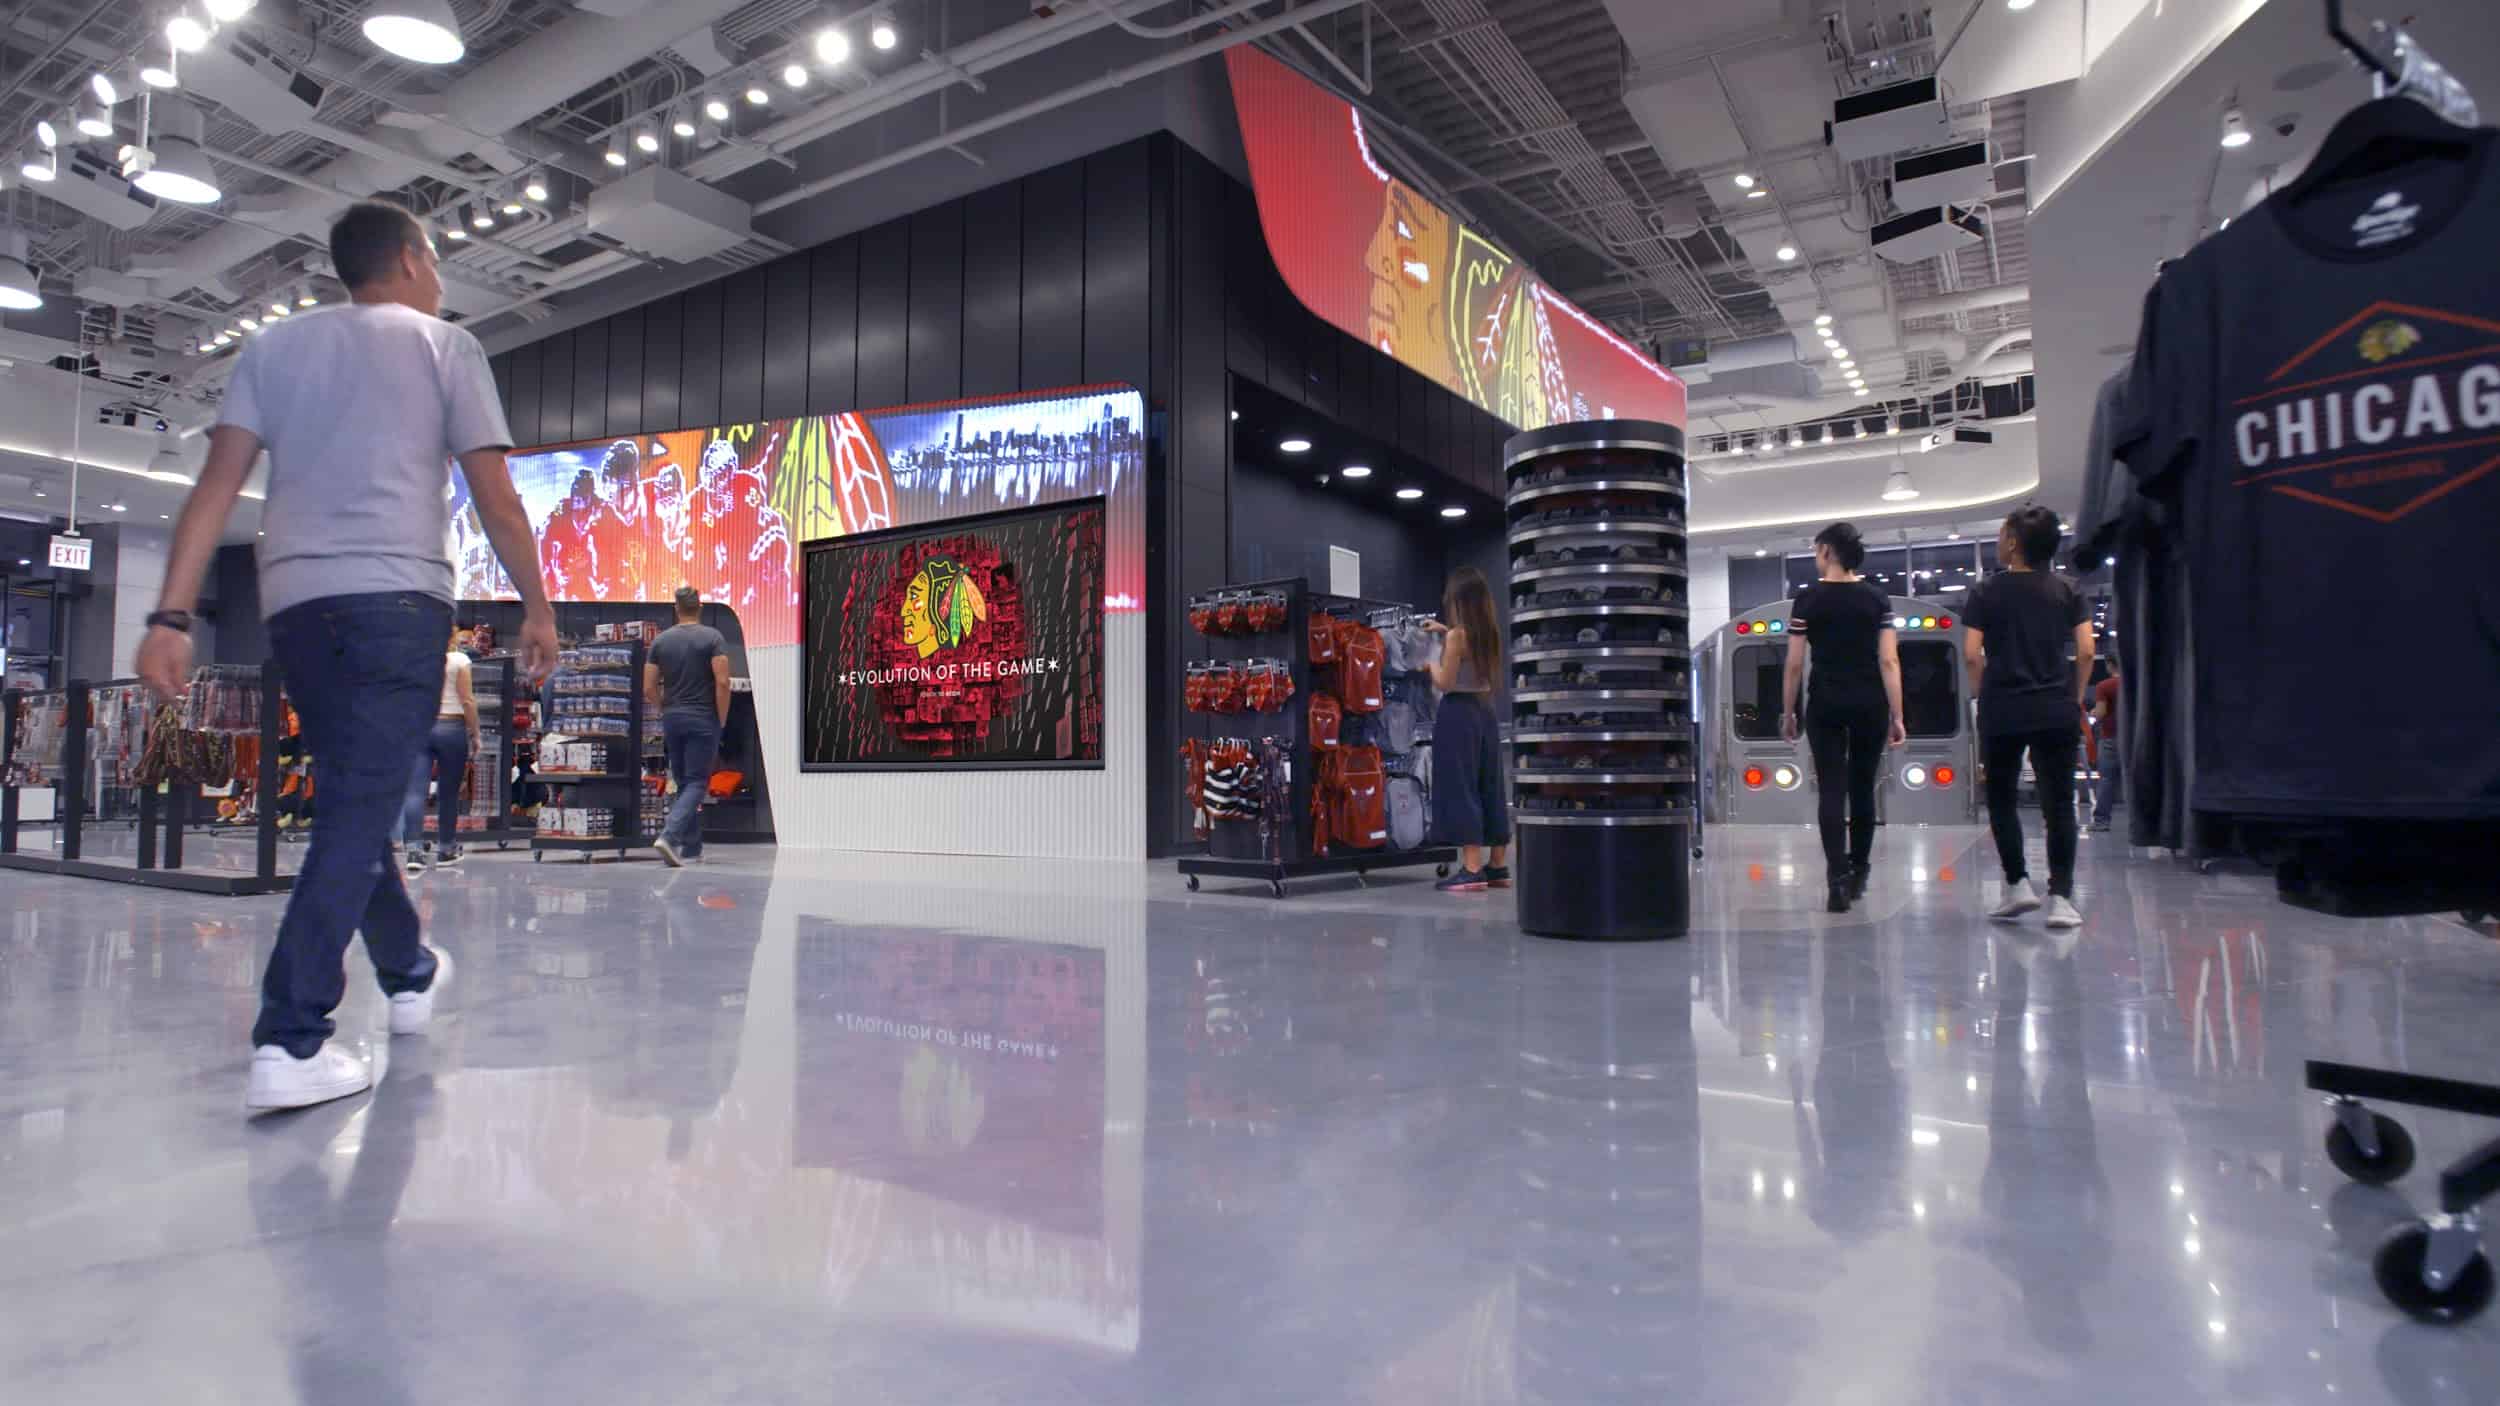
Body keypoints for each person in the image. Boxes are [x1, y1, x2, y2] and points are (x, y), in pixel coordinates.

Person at [136, 199, 557, 1112]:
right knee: (357, 811)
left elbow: (216, 487)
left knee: (353, 801)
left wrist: (171, 615)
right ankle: (290, 1037)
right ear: (409, 259)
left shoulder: (273, 349)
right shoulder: (447, 346)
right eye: (434, 263)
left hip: (295, 605)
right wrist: (537, 605)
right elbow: (496, 496)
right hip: (399, 601)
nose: (438, 281)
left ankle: (408, 971)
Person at [1963, 506, 2094, 929]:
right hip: (2056, 705)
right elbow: (2086, 651)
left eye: (2002, 533)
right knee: (2059, 804)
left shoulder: (1986, 592)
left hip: (2003, 706)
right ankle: (2061, 899)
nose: (1999, 540)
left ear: (2015, 542)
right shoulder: (2068, 589)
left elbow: (1971, 654)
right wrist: (2074, 696)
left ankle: (2018, 884)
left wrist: (1982, 694)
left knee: (2001, 797)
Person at [1781, 522, 1906, 914]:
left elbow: (1794, 664)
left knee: (1831, 790)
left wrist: (1788, 711)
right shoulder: (1877, 599)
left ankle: (1836, 879)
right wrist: (1898, 714)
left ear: (1827, 552)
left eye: (1816, 551)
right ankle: (1859, 872)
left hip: (1826, 702)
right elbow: (1889, 660)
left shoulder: (1807, 600)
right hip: (1870, 702)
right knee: (1863, 787)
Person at [1423, 566, 1511, 892]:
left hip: (1458, 713)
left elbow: (1446, 682)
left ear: (1459, 600)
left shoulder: (1456, 637)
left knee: (1461, 785)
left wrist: (1430, 665)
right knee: (1490, 784)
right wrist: (1445, 631)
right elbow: (1466, 646)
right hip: (1485, 711)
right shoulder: (1489, 634)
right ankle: (1497, 866)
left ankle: (1472, 868)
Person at [645, 585, 731, 868]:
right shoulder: (713, 638)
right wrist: (721, 718)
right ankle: (669, 837)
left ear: (676, 609)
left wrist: (664, 708)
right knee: (696, 782)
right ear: (700, 607)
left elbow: (648, 687)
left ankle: (692, 848)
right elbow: (722, 682)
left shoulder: (661, 642)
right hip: (703, 718)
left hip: (673, 719)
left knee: (684, 782)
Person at [401, 622, 479, 872]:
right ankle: (446, 849)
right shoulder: (459, 660)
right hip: (452, 727)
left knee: (415, 792)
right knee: (448, 792)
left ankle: (414, 851)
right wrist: (475, 733)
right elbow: (467, 700)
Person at [2090, 656, 2121, 832]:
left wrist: (2093, 712)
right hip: (2133, 738)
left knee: (2107, 780)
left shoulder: (2104, 686)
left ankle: (2101, 822)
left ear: (2110, 665)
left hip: (2110, 738)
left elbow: (2101, 713)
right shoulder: (2136, 683)